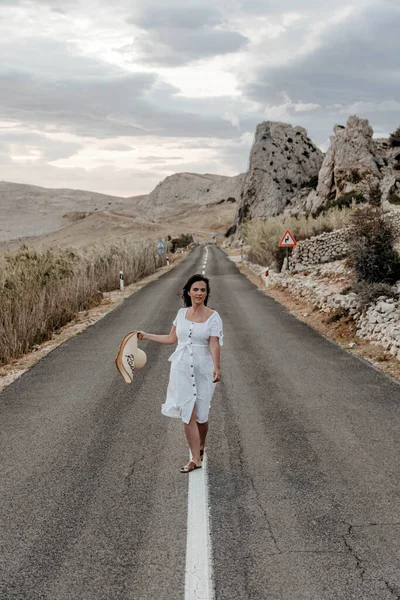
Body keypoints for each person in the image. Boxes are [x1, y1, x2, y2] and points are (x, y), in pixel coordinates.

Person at [137, 274, 223, 473]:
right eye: (196, 289)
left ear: (206, 293)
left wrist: (217, 367)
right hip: (181, 367)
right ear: (188, 291)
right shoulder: (181, 313)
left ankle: (201, 446)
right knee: (187, 412)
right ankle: (195, 458)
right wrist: (145, 335)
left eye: (203, 290)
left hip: (203, 369)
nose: (199, 293)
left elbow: (214, 342)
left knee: (201, 416)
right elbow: (170, 338)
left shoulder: (213, 316)